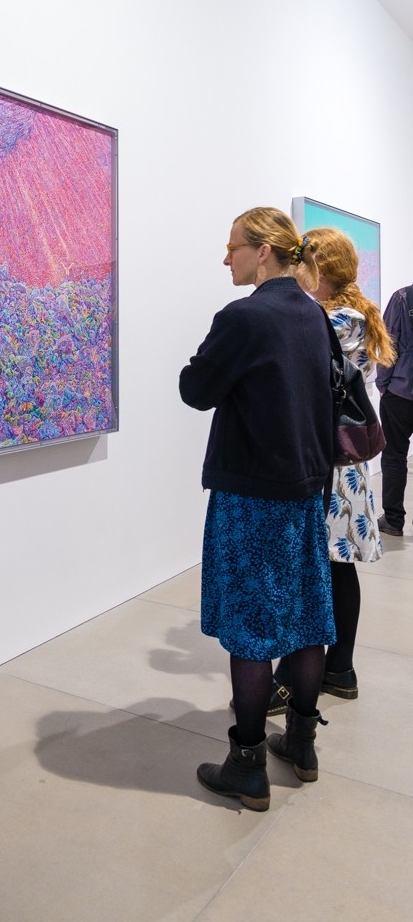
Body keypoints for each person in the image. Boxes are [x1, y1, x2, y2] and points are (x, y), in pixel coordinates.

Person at [179, 207, 335, 811]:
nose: (227, 258)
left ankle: (246, 763)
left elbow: (196, 390)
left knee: (250, 626)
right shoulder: (312, 315)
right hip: (305, 490)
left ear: (264, 251)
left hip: (251, 492)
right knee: (304, 615)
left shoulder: (243, 317)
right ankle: (301, 743)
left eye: (234, 247)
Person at [270, 228, 394, 706]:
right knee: (336, 568)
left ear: (315, 267)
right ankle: (339, 668)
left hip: (327, 464)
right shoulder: (350, 315)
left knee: (316, 571)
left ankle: (294, 676)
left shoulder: (333, 320)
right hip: (341, 461)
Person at [376, 284, 413, 536]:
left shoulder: (403, 297)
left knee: (394, 456)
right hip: (400, 390)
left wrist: (383, 384)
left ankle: (393, 520)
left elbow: (388, 345)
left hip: (401, 392)